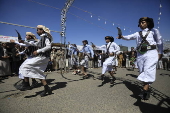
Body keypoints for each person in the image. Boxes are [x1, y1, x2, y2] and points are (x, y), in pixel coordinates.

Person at [117, 17, 163, 100]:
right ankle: (147, 90)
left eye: (143, 22)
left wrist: (160, 52)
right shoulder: (138, 33)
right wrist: (122, 37)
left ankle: (144, 90)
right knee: (142, 71)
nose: (141, 24)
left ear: (148, 23)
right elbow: (129, 37)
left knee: (148, 70)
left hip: (151, 53)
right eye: (140, 23)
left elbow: (159, 42)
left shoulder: (154, 31)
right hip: (140, 54)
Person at [11, 25, 53, 97]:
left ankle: (26, 84)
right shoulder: (41, 39)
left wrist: (38, 51)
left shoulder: (45, 37)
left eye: (38, 30)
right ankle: (47, 88)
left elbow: (48, 46)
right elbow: (33, 43)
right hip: (42, 57)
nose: (37, 31)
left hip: (42, 57)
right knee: (38, 72)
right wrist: (22, 41)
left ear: (42, 30)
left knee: (24, 66)